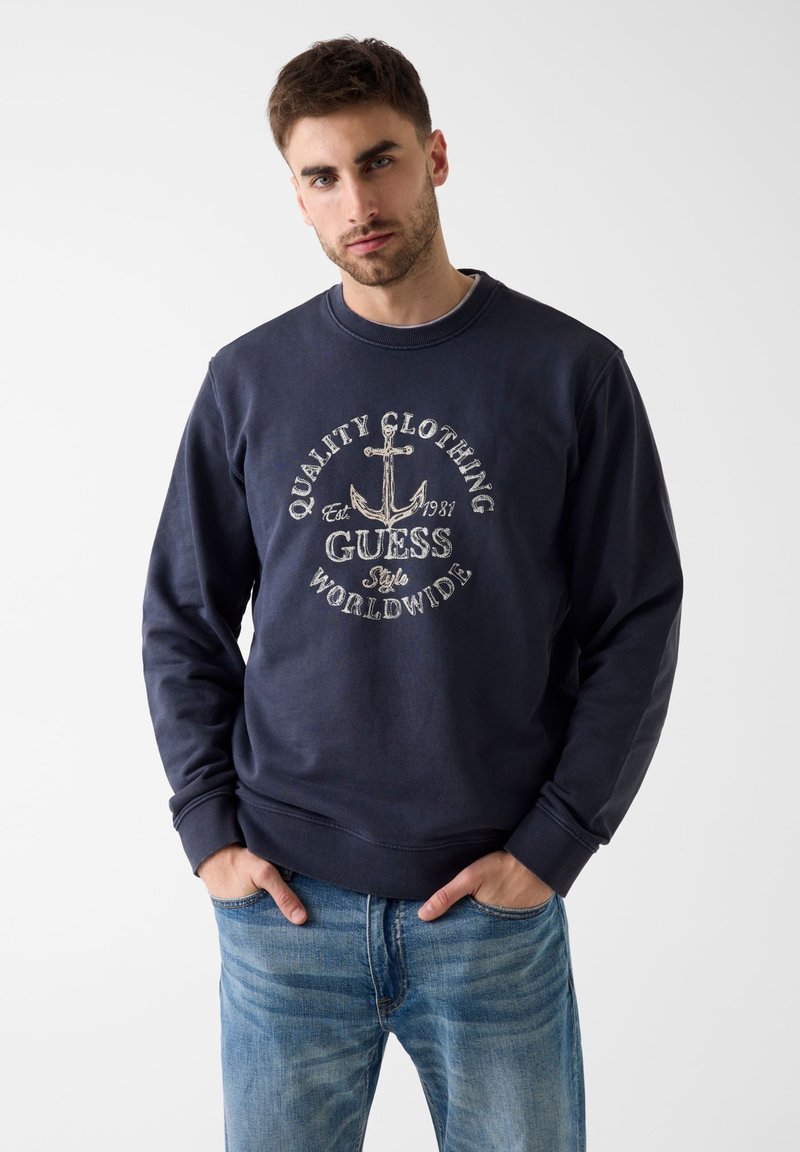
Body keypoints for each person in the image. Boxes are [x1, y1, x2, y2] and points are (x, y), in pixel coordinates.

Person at [142, 36, 683, 1152]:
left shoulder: (569, 372)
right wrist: (208, 833)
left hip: (490, 912)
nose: (358, 203)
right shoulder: (249, 382)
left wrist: (557, 841)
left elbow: (634, 617)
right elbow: (184, 619)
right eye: (322, 177)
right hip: (286, 910)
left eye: (379, 161)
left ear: (435, 157)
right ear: (296, 194)